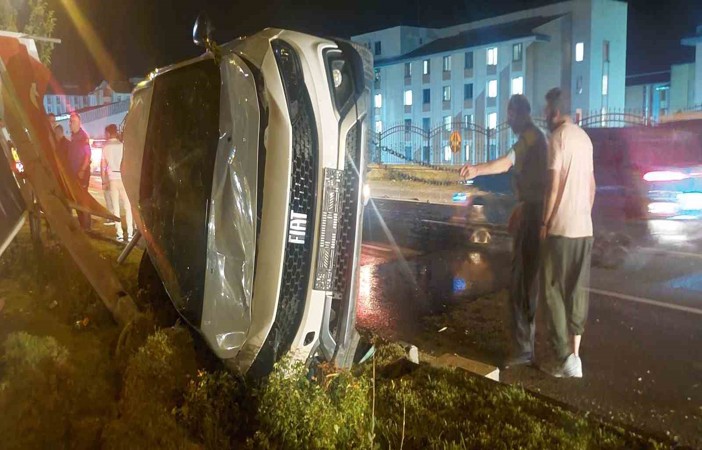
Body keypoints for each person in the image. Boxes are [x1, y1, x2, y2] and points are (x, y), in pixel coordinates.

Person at [460, 94, 548, 368]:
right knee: (525, 283)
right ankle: (527, 346)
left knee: (521, 283)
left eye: (511, 115)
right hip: (530, 211)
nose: (508, 120)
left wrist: (475, 169)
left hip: (533, 216)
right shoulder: (533, 138)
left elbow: (505, 163)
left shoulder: (531, 139)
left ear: (522, 114)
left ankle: (524, 349)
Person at [540, 87, 596, 379]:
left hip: (560, 229)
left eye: (547, 110)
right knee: (576, 292)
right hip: (584, 229)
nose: (544, 116)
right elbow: (591, 187)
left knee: (552, 291)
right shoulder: (585, 139)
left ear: (556, 112)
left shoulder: (557, 139)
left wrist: (545, 223)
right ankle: (576, 358)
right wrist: (583, 214)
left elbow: (552, 187)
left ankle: (564, 358)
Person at [101, 124, 133, 242]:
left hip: (112, 179)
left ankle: (119, 233)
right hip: (123, 178)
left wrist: (104, 180)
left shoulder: (105, 147)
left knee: (116, 207)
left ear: (109, 133)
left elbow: (103, 165)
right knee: (128, 206)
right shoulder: (122, 146)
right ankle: (130, 233)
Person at [68, 113, 92, 230]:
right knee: (77, 199)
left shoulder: (83, 137)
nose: (70, 124)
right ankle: (82, 224)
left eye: (73, 122)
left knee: (82, 199)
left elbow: (88, 155)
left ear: (78, 123)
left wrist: (82, 170)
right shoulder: (73, 136)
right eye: (70, 121)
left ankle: (86, 225)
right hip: (74, 173)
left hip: (81, 174)